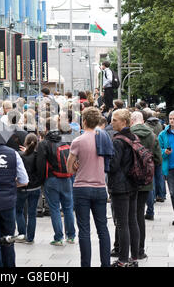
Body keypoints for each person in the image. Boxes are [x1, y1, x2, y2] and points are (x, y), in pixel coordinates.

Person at [66, 107, 111, 267]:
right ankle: (105, 263)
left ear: (84, 121)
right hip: (100, 188)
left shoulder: (78, 141)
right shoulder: (104, 139)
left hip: (82, 188)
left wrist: (78, 165)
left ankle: (86, 264)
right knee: (102, 229)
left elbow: (69, 168)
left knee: (84, 230)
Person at [36, 116, 76, 246]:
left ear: (46, 128)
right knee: (68, 208)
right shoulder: (66, 139)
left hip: (51, 179)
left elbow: (40, 164)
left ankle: (58, 238)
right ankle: (71, 236)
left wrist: (41, 181)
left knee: (54, 209)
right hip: (67, 177)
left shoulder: (44, 143)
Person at [108, 109, 140, 267]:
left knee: (122, 224)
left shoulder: (117, 141)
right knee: (132, 221)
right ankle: (134, 258)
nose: (112, 122)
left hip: (120, 186)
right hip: (133, 183)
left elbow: (113, 166)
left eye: (115, 120)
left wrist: (105, 159)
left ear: (124, 122)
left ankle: (122, 260)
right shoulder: (134, 137)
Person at [130, 111, 162, 259]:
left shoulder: (127, 135)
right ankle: (140, 250)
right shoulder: (152, 135)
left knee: (128, 215)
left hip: (129, 181)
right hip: (145, 181)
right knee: (140, 215)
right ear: (143, 121)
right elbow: (158, 159)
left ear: (131, 121)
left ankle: (124, 248)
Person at [15, 134, 42, 244]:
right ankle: (30, 238)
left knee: (19, 211)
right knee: (32, 214)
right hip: (35, 187)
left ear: (25, 143)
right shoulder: (38, 155)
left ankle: (22, 234)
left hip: (22, 187)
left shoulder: (20, 155)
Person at [146, 112, 166, 202]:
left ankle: (153, 196)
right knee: (160, 175)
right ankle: (161, 195)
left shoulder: (146, 125)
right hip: (158, 150)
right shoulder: (159, 124)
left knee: (152, 176)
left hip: (150, 151)